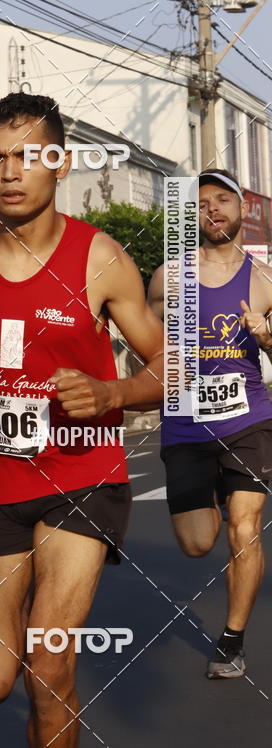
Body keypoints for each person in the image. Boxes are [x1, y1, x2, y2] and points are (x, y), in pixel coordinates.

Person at [0, 92, 164, 746]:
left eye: (27, 157)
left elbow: (169, 368)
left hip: (81, 472)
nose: (9, 173)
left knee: (47, 666)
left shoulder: (100, 259)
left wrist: (111, 393)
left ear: (60, 164)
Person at [148, 168, 272, 679]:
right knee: (197, 541)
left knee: (245, 528)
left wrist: (267, 338)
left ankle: (232, 641)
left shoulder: (264, 279)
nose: (213, 209)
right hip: (186, 421)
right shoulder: (167, 278)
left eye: (223, 199)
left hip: (249, 417)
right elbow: (145, 342)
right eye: (201, 204)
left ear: (241, 208)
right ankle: (216, 491)